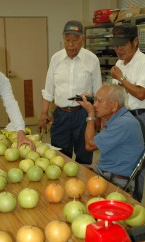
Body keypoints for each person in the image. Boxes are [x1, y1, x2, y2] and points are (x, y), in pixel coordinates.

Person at [39, 20, 102, 164]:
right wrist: (44, 112)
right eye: (67, 40)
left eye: (75, 40)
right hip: (61, 115)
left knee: (84, 155)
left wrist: (98, 117)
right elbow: (49, 89)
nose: (70, 44)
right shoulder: (56, 59)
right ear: (63, 39)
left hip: (83, 115)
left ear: (82, 39)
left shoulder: (92, 60)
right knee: (58, 158)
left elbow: (98, 92)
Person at [77, 83, 144, 190]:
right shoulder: (120, 118)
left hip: (115, 180)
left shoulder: (123, 123)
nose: (94, 105)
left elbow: (89, 146)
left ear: (114, 106)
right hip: (106, 171)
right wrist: (97, 166)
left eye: (99, 101)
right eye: (95, 100)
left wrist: (90, 114)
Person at [110, 24, 145, 139]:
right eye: (116, 45)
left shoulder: (143, 62)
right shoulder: (119, 63)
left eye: (123, 45)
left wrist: (121, 78)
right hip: (120, 116)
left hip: (139, 117)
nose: (119, 50)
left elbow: (141, 94)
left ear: (135, 41)